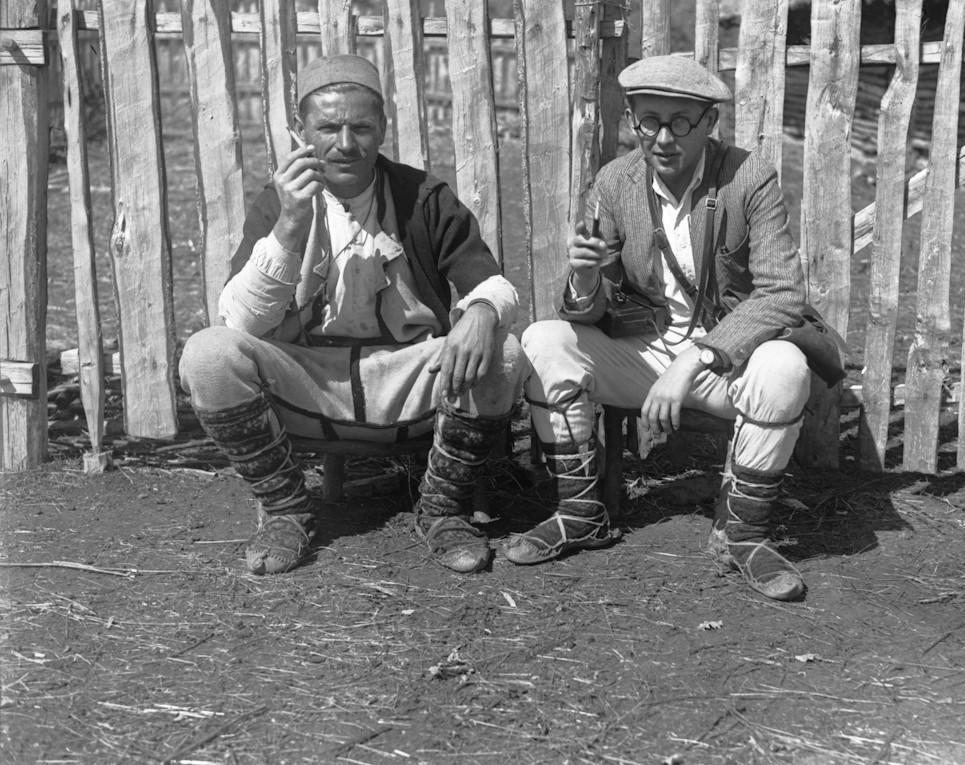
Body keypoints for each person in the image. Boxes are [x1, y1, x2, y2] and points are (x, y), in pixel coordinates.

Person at [509, 55, 845, 601]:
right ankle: (579, 512)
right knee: (543, 339)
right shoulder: (615, 182)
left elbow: (782, 292)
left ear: (710, 123)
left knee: (785, 366)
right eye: (649, 121)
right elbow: (587, 312)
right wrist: (585, 276)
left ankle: (744, 537)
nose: (663, 138)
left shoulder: (747, 177)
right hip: (644, 354)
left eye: (680, 122)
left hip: (723, 363)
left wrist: (697, 357)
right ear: (633, 119)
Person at [179, 54, 526, 576]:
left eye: (361, 127)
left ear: (383, 127)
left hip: (409, 378)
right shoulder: (279, 203)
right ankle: (286, 511)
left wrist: (479, 310)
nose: (345, 143)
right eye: (328, 127)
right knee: (208, 355)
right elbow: (242, 325)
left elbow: (493, 282)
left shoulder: (422, 197)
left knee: (503, 348)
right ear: (301, 131)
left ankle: (442, 512)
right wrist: (293, 224)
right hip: (309, 381)